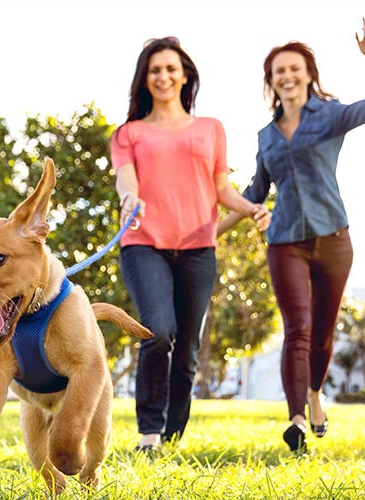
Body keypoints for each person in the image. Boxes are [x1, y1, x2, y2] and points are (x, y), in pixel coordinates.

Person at [218, 19, 365, 454]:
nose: (287, 76)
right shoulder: (266, 136)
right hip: (285, 242)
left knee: (322, 334)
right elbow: (255, 193)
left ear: (308, 74)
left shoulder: (329, 116)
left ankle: (315, 393)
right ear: (271, 82)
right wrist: (211, 231)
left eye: (294, 68)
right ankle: (296, 417)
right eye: (279, 71)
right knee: (297, 328)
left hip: (334, 238)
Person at [111, 36, 271, 452]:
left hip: (199, 248)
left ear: (185, 75)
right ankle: (149, 433)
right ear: (145, 81)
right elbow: (125, 177)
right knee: (158, 330)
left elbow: (221, 188)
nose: (163, 76)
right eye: (154, 71)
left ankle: (172, 434)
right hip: (144, 244)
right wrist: (129, 196)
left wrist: (252, 207)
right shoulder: (129, 133)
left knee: (187, 350)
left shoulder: (210, 129)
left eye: (170, 68)